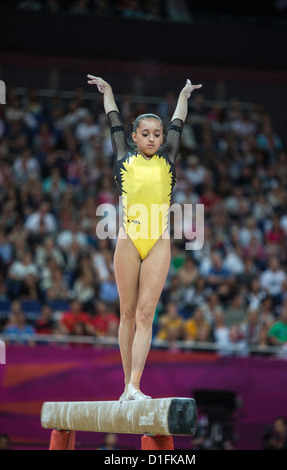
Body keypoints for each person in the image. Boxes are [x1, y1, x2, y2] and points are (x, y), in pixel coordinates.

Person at [87, 74, 202, 401]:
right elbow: (113, 121)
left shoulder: (168, 157)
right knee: (126, 314)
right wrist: (107, 91)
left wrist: (184, 93)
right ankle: (126, 385)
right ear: (135, 137)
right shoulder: (123, 154)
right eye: (145, 134)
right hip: (128, 241)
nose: (152, 139)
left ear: (163, 138)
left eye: (157, 134)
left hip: (158, 243)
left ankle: (135, 385)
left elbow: (179, 119)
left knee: (145, 314)